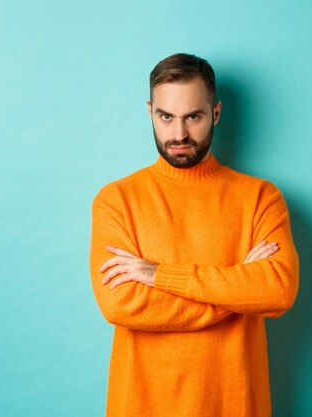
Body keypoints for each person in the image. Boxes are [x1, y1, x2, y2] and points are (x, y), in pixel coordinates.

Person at [89, 53, 299, 417]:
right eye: (166, 117)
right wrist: (237, 293)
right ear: (150, 112)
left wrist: (157, 275)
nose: (179, 134)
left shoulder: (260, 198)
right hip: (143, 406)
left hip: (233, 405)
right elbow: (121, 304)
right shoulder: (117, 200)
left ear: (215, 113)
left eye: (194, 117)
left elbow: (276, 290)